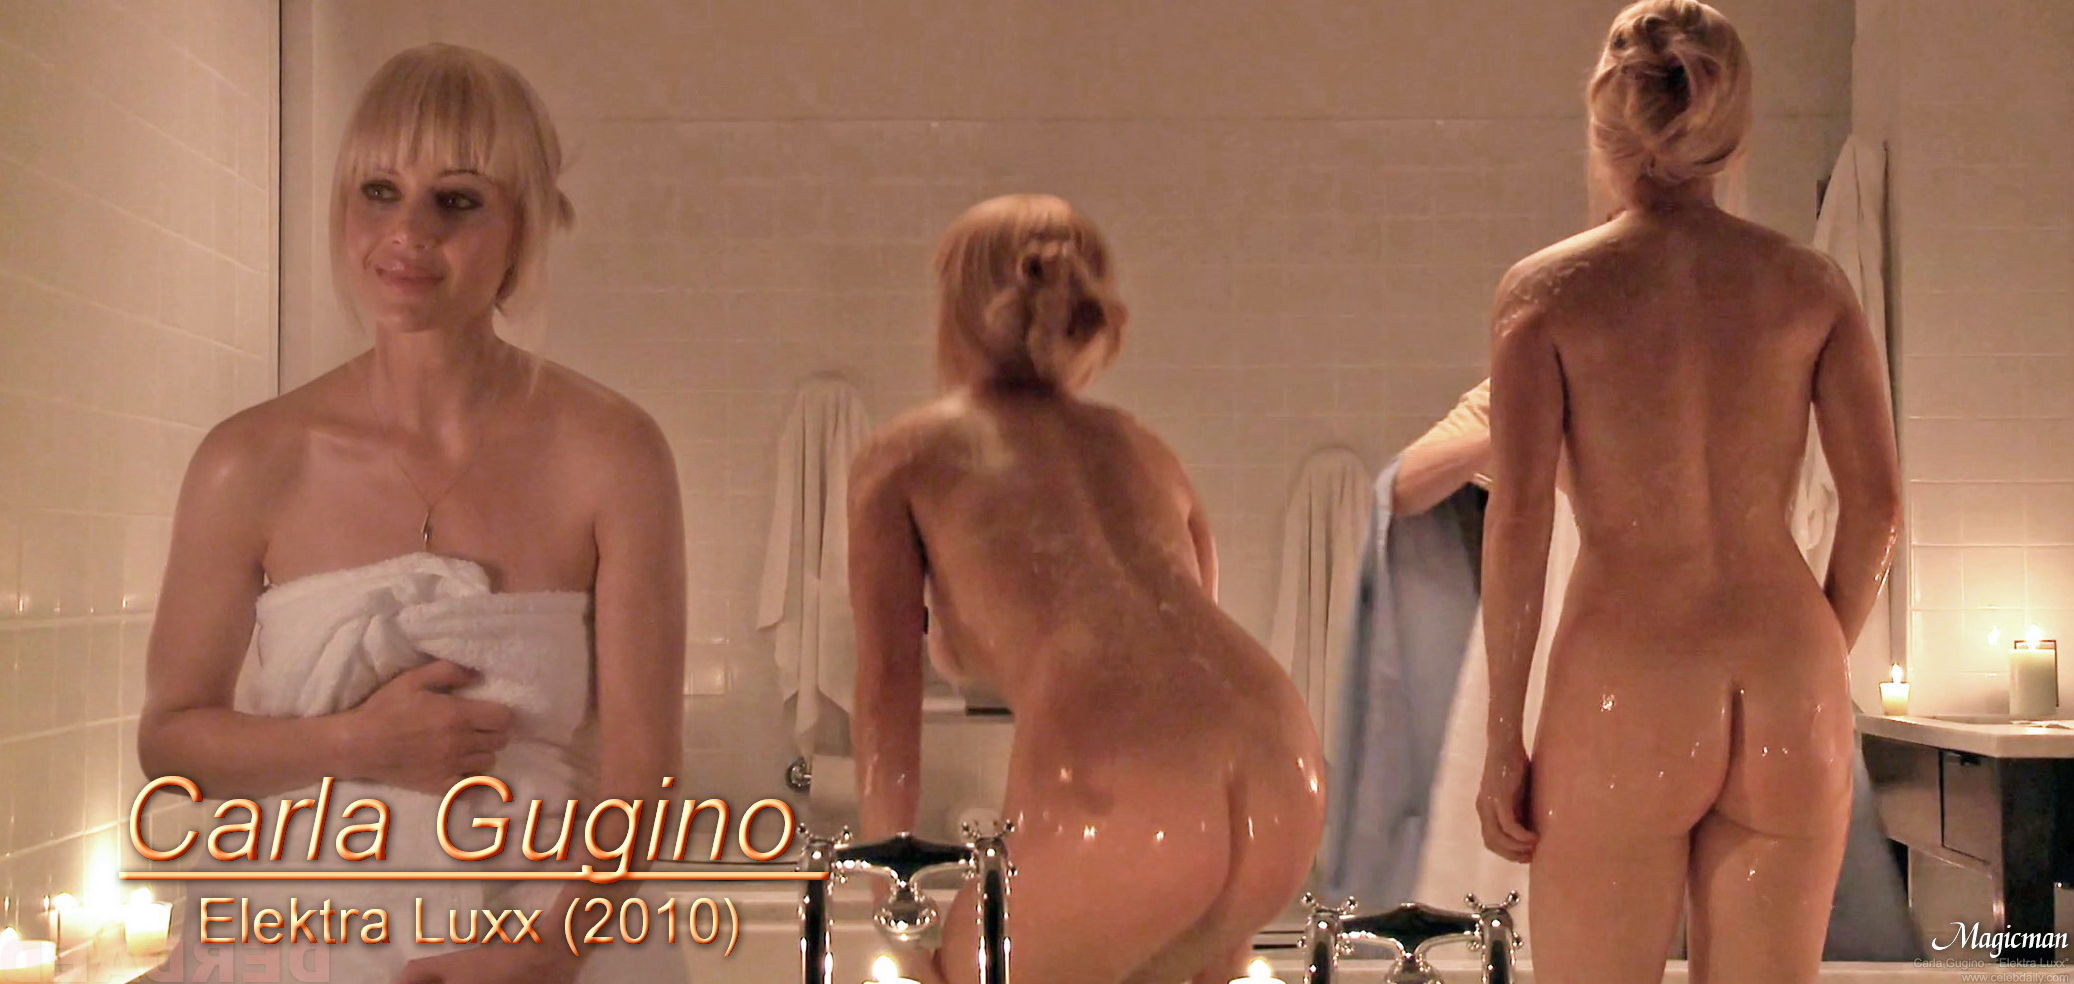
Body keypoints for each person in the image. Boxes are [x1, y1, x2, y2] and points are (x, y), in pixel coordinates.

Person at [138, 43, 686, 984]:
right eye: (379, 191)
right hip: (301, 943)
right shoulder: (250, 460)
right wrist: (355, 743)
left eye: (457, 200)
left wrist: (543, 956)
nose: (408, 232)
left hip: (543, 937)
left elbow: (646, 776)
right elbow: (170, 743)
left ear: (522, 228)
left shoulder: (613, 453)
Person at [1475, 3, 1903, 982]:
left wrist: (1504, 738)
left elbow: (1520, 519)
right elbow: (1877, 507)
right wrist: (1813, 661)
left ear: (1605, 122)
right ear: (1731, 130)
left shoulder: (1547, 293)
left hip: (1629, 676)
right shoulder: (1810, 285)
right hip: (1786, 671)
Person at [848, 194, 1326, 984]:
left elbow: (888, 682)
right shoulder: (1144, 448)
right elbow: (1185, 640)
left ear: (955, 311)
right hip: (1284, 767)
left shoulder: (906, 454)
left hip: (1131, 794)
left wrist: (887, 882)